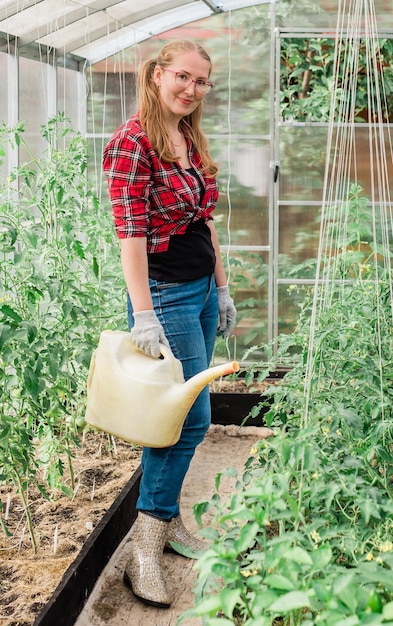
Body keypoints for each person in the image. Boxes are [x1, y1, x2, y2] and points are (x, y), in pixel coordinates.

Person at [102, 39, 236, 609]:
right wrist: (145, 315)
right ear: (157, 75)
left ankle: (167, 516)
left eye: (201, 82)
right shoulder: (132, 143)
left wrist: (223, 288)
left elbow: (205, 223)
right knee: (185, 417)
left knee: (180, 417)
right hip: (166, 296)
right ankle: (143, 548)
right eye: (183, 76)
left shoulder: (186, 137)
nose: (191, 88)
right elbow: (130, 236)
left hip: (201, 291)